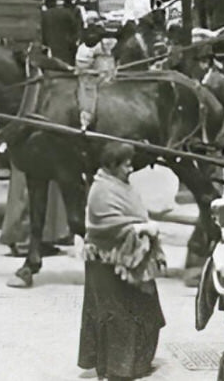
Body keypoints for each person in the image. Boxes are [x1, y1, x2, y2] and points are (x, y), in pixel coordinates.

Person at [79, 142, 166, 381]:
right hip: (109, 264)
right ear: (112, 165)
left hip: (133, 262)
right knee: (117, 316)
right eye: (126, 165)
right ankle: (117, 368)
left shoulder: (121, 185)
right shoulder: (101, 190)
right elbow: (103, 225)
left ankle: (136, 364)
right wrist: (140, 227)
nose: (130, 169)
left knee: (144, 312)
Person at [40, 0, 83, 65]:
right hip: (66, 45)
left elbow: (42, 30)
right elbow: (76, 28)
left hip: (51, 43)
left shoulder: (45, 14)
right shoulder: (68, 13)